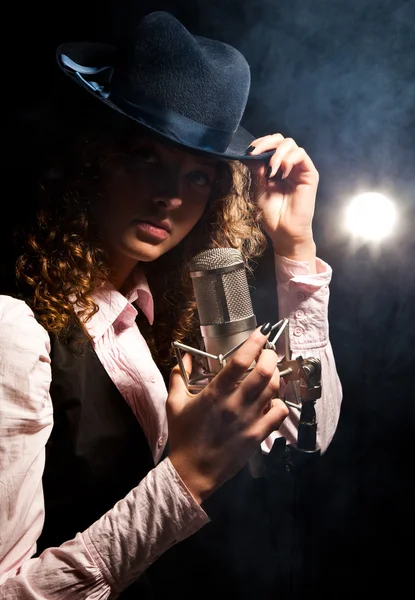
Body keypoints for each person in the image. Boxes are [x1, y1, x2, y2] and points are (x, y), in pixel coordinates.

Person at [0, 10, 342, 600]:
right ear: (91, 157)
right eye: (144, 156)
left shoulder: (164, 319)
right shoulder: (15, 328)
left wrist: (296, 249)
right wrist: (188, 476)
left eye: (199, 176)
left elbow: (298, 436)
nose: (171, 195)